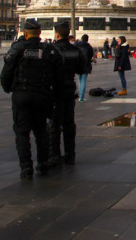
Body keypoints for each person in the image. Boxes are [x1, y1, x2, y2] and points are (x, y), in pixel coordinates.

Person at [0, 19, 64, 180]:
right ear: (40, 33)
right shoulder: (49, 50)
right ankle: (42, 163)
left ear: (25, 33)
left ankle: (26, 167)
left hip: (21, 94)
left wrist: (9, 88)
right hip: (42, 95)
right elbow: (59, 74)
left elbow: (6, 73)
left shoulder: (18, 50)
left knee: (22, 132)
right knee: (41, 131)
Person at [49, 21, 89, 167]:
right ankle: (70, 155)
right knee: (69, 123)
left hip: (54, 90)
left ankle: (55, 155)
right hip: (69, 89)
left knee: (54, 124)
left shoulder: (51, 50)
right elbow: (81, 69)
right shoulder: (76, 50)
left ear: (57, 34)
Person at [75, 34, 94, 102]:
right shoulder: (89, 47)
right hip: (86, 65)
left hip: (78, 64)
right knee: (83, 81)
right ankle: (81, 97)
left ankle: (80, 95)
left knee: (79, 80)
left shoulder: (77, 45)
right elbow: (91, 55)